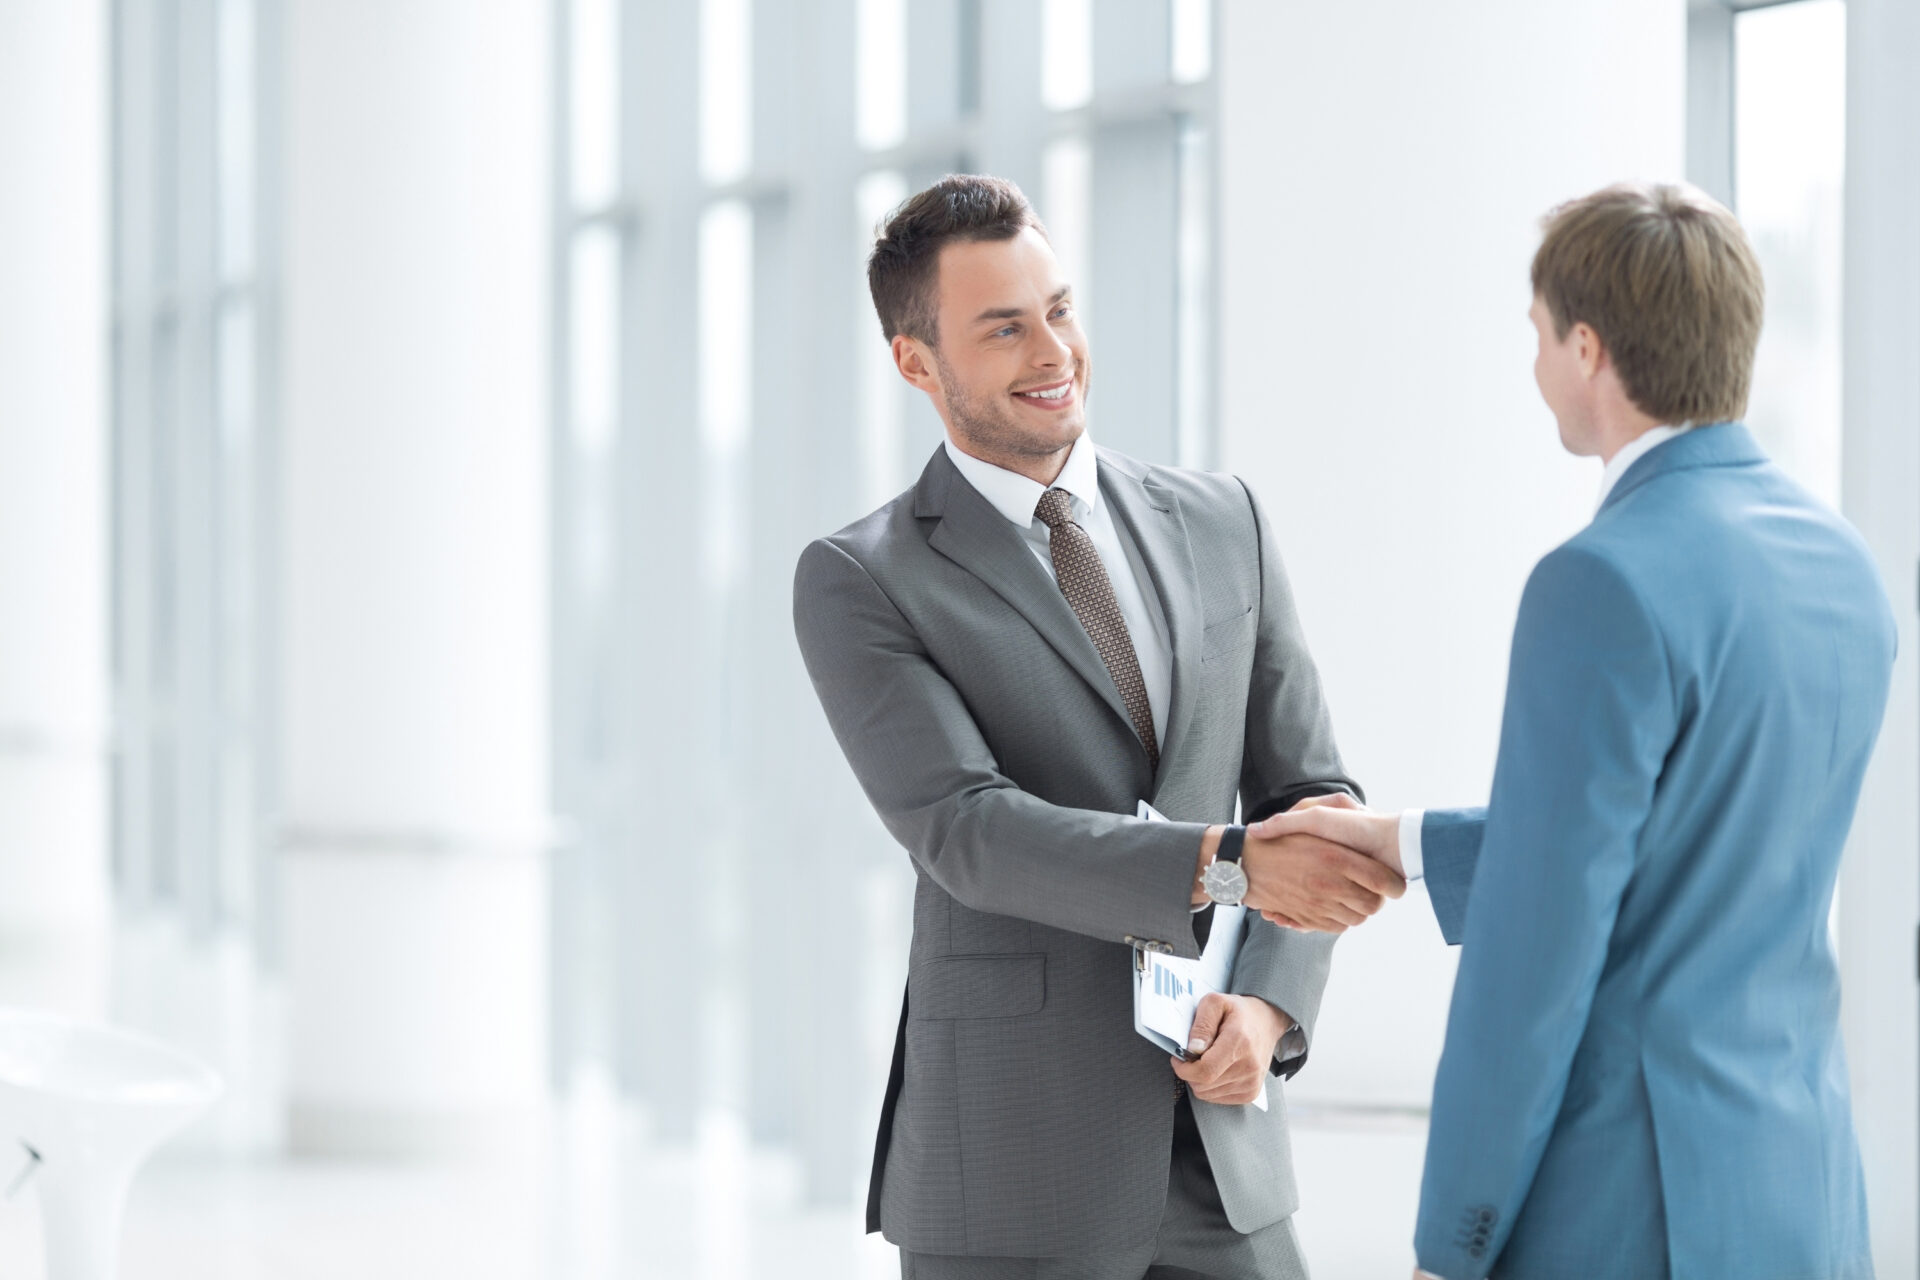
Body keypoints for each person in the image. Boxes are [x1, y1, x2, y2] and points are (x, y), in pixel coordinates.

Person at [1255, 183, 1896, 1280]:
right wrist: (1412, 841)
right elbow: (1694, 840)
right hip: (1799, 1187)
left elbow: (1532, 962)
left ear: (1588, 348)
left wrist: (1451, 1238)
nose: (1537, 362)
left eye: (1539, 333)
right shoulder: (1843, 563)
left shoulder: (1600, 580)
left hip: (1629, 1203)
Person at [793, 174, 1404, 1279]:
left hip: (1225, 1151)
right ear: (916, 363)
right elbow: (966, 829)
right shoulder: (863, 578)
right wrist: (1226, 869)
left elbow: (1309, 794)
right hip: (1020, 1165)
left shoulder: (1226, 522)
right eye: (1004, 327)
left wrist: (1268, 1007)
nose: (1052, 350)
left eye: (1060, 309)